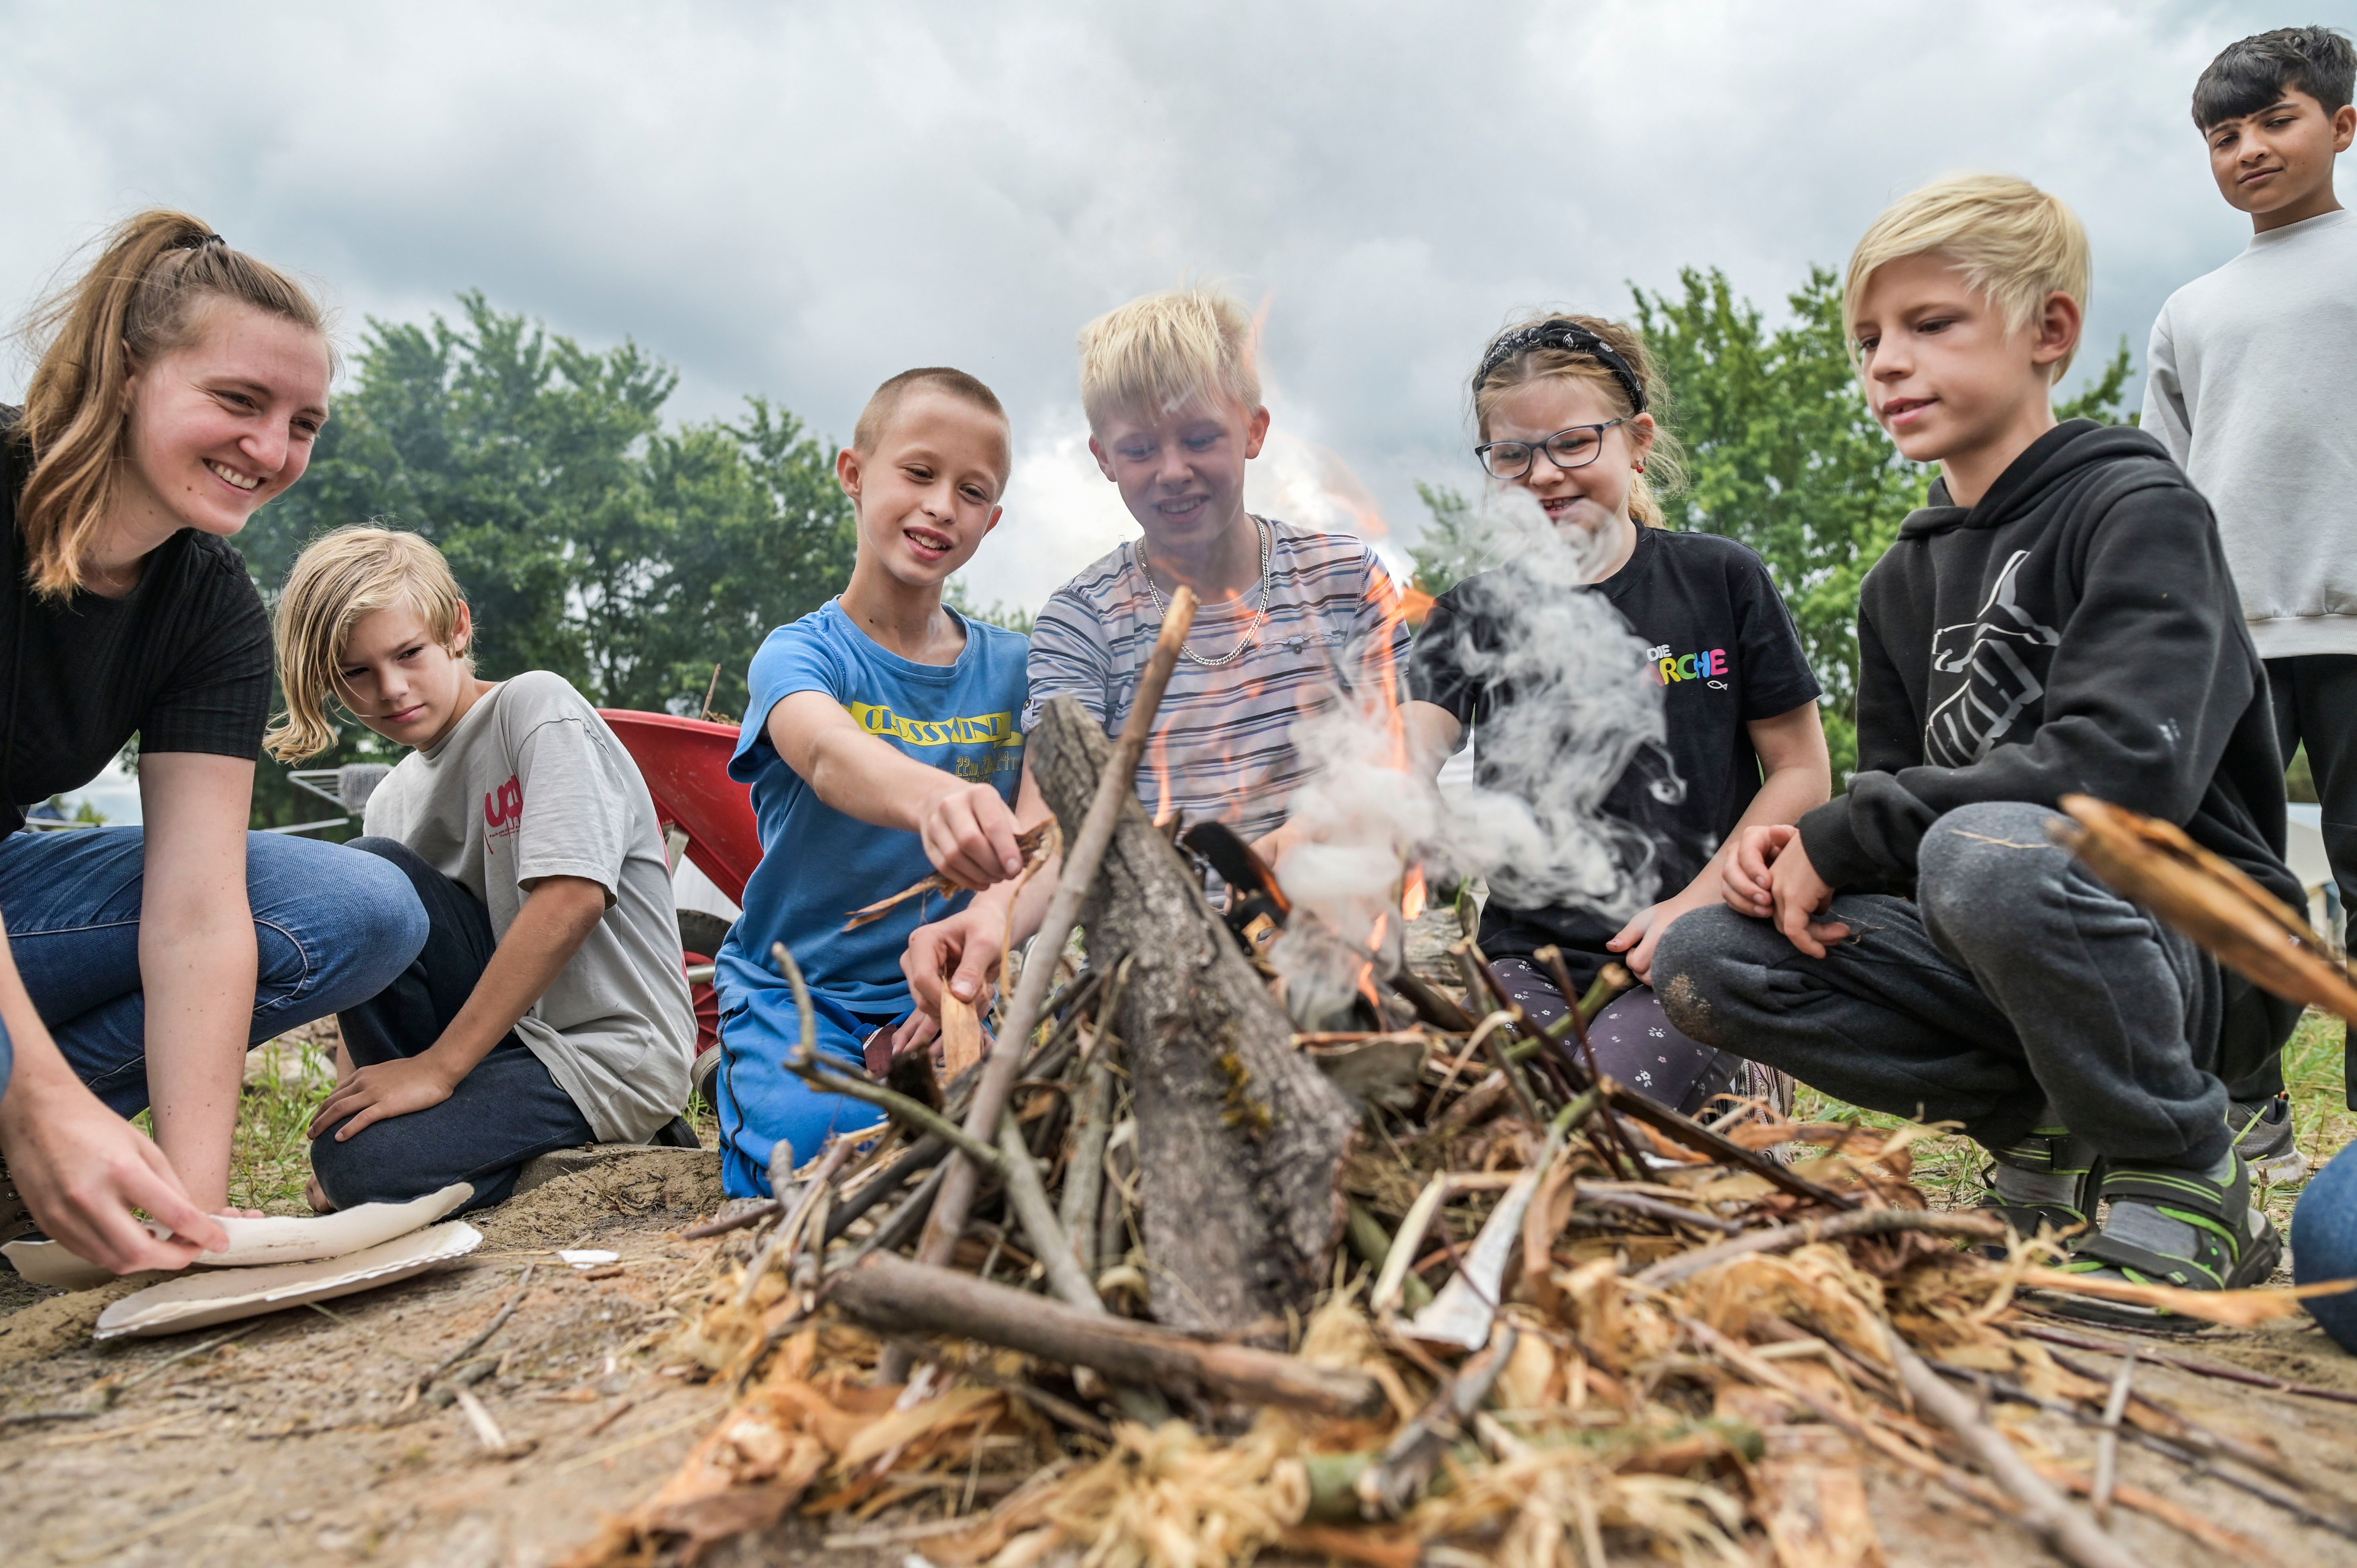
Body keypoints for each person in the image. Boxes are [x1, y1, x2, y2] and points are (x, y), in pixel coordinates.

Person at [1652, 175, 2302, 1315]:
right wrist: (1806, 858)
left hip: (2196, 944)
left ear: (2048, 331)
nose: (1884, 365)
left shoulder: (2136, 510)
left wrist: (1851, 827)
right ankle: (2049, 1145)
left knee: (1988, 847)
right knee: (1708, 955)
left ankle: (2185, 1171)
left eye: (1930, 324)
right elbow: (1895, 812)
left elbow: (2122, 773)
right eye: (1865, 341)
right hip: (2003, 928)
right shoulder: (1897, 582)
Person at [0, 212, 424, 1273]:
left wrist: (202, 1216)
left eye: (305, 422)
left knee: (360, 906)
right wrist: (33, 1091)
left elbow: (197, 912)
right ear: (126, 369)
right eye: (239, 400)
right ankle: (32, 1125)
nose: (272, 449)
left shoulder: (209, 605)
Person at [899, 286, 1412, 1027]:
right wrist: (992, 918)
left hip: (1333, 966)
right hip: (1156, 987)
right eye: (1141, 448)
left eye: (1200, 438)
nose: (1172, 470)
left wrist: (1307, 844)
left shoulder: (1344, 582)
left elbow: (1397, 779)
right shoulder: (1082, 621)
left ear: (1253, 431)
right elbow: (1059, 825)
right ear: (1104, 458)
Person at [1402, 314, 1829, 1116]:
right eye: (1512, 454)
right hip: (1528, 959)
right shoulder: (1474, 612)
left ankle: (1756, 1081)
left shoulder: (1720, 580)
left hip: (1704, 947)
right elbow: (1411, 744)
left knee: (1614, 1106)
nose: (1544, 475)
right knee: (1498, 1112)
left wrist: (1690, 907)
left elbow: (1803, 771)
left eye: (1573, 443)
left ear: (1636, 440)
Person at [270, 528, 695, 1212]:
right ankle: (531, 1157)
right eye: (357, 673)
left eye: (409, 653)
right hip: (500, 1049)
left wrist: (437, 1073)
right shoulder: (390, 800)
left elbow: (573, 898)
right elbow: (373, 974)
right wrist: (357, 1103)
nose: (392, 688)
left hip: (607, 1051)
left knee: (364, 1173)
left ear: (457, 627)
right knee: (364, 883)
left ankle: (623, 1145)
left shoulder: (535, 709)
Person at [710, 368, 1030, 1199]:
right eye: (918, 474)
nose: (940, 507)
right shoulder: (800, 654)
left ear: (991, 522)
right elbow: (824, 751)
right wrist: (936, 798)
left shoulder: (1021, 669)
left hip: (950, 993)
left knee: (1006, 1150)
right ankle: (755, 1074)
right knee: (826, 1147)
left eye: (971, 491)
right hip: (801, 993)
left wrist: (972, 976)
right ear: (854, 473)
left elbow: (1053, 826)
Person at [2144, 25, 2357, 1168]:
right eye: (2223, 135)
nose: (2248, 149)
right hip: (2228, 638)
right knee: (2228, 880)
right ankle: (2245, 1104)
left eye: (2274, 120)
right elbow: (2160, 482)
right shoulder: (2188, 308)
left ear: (2341, 124)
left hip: (2355, 623)